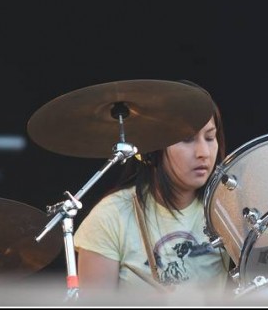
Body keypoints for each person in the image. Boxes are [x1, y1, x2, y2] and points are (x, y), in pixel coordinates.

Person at [73, 80, 231, 305]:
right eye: (187, 139)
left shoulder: (229, 207)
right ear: (154, 149)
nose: (203, 152)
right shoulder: (111, 216)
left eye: (210, 137)